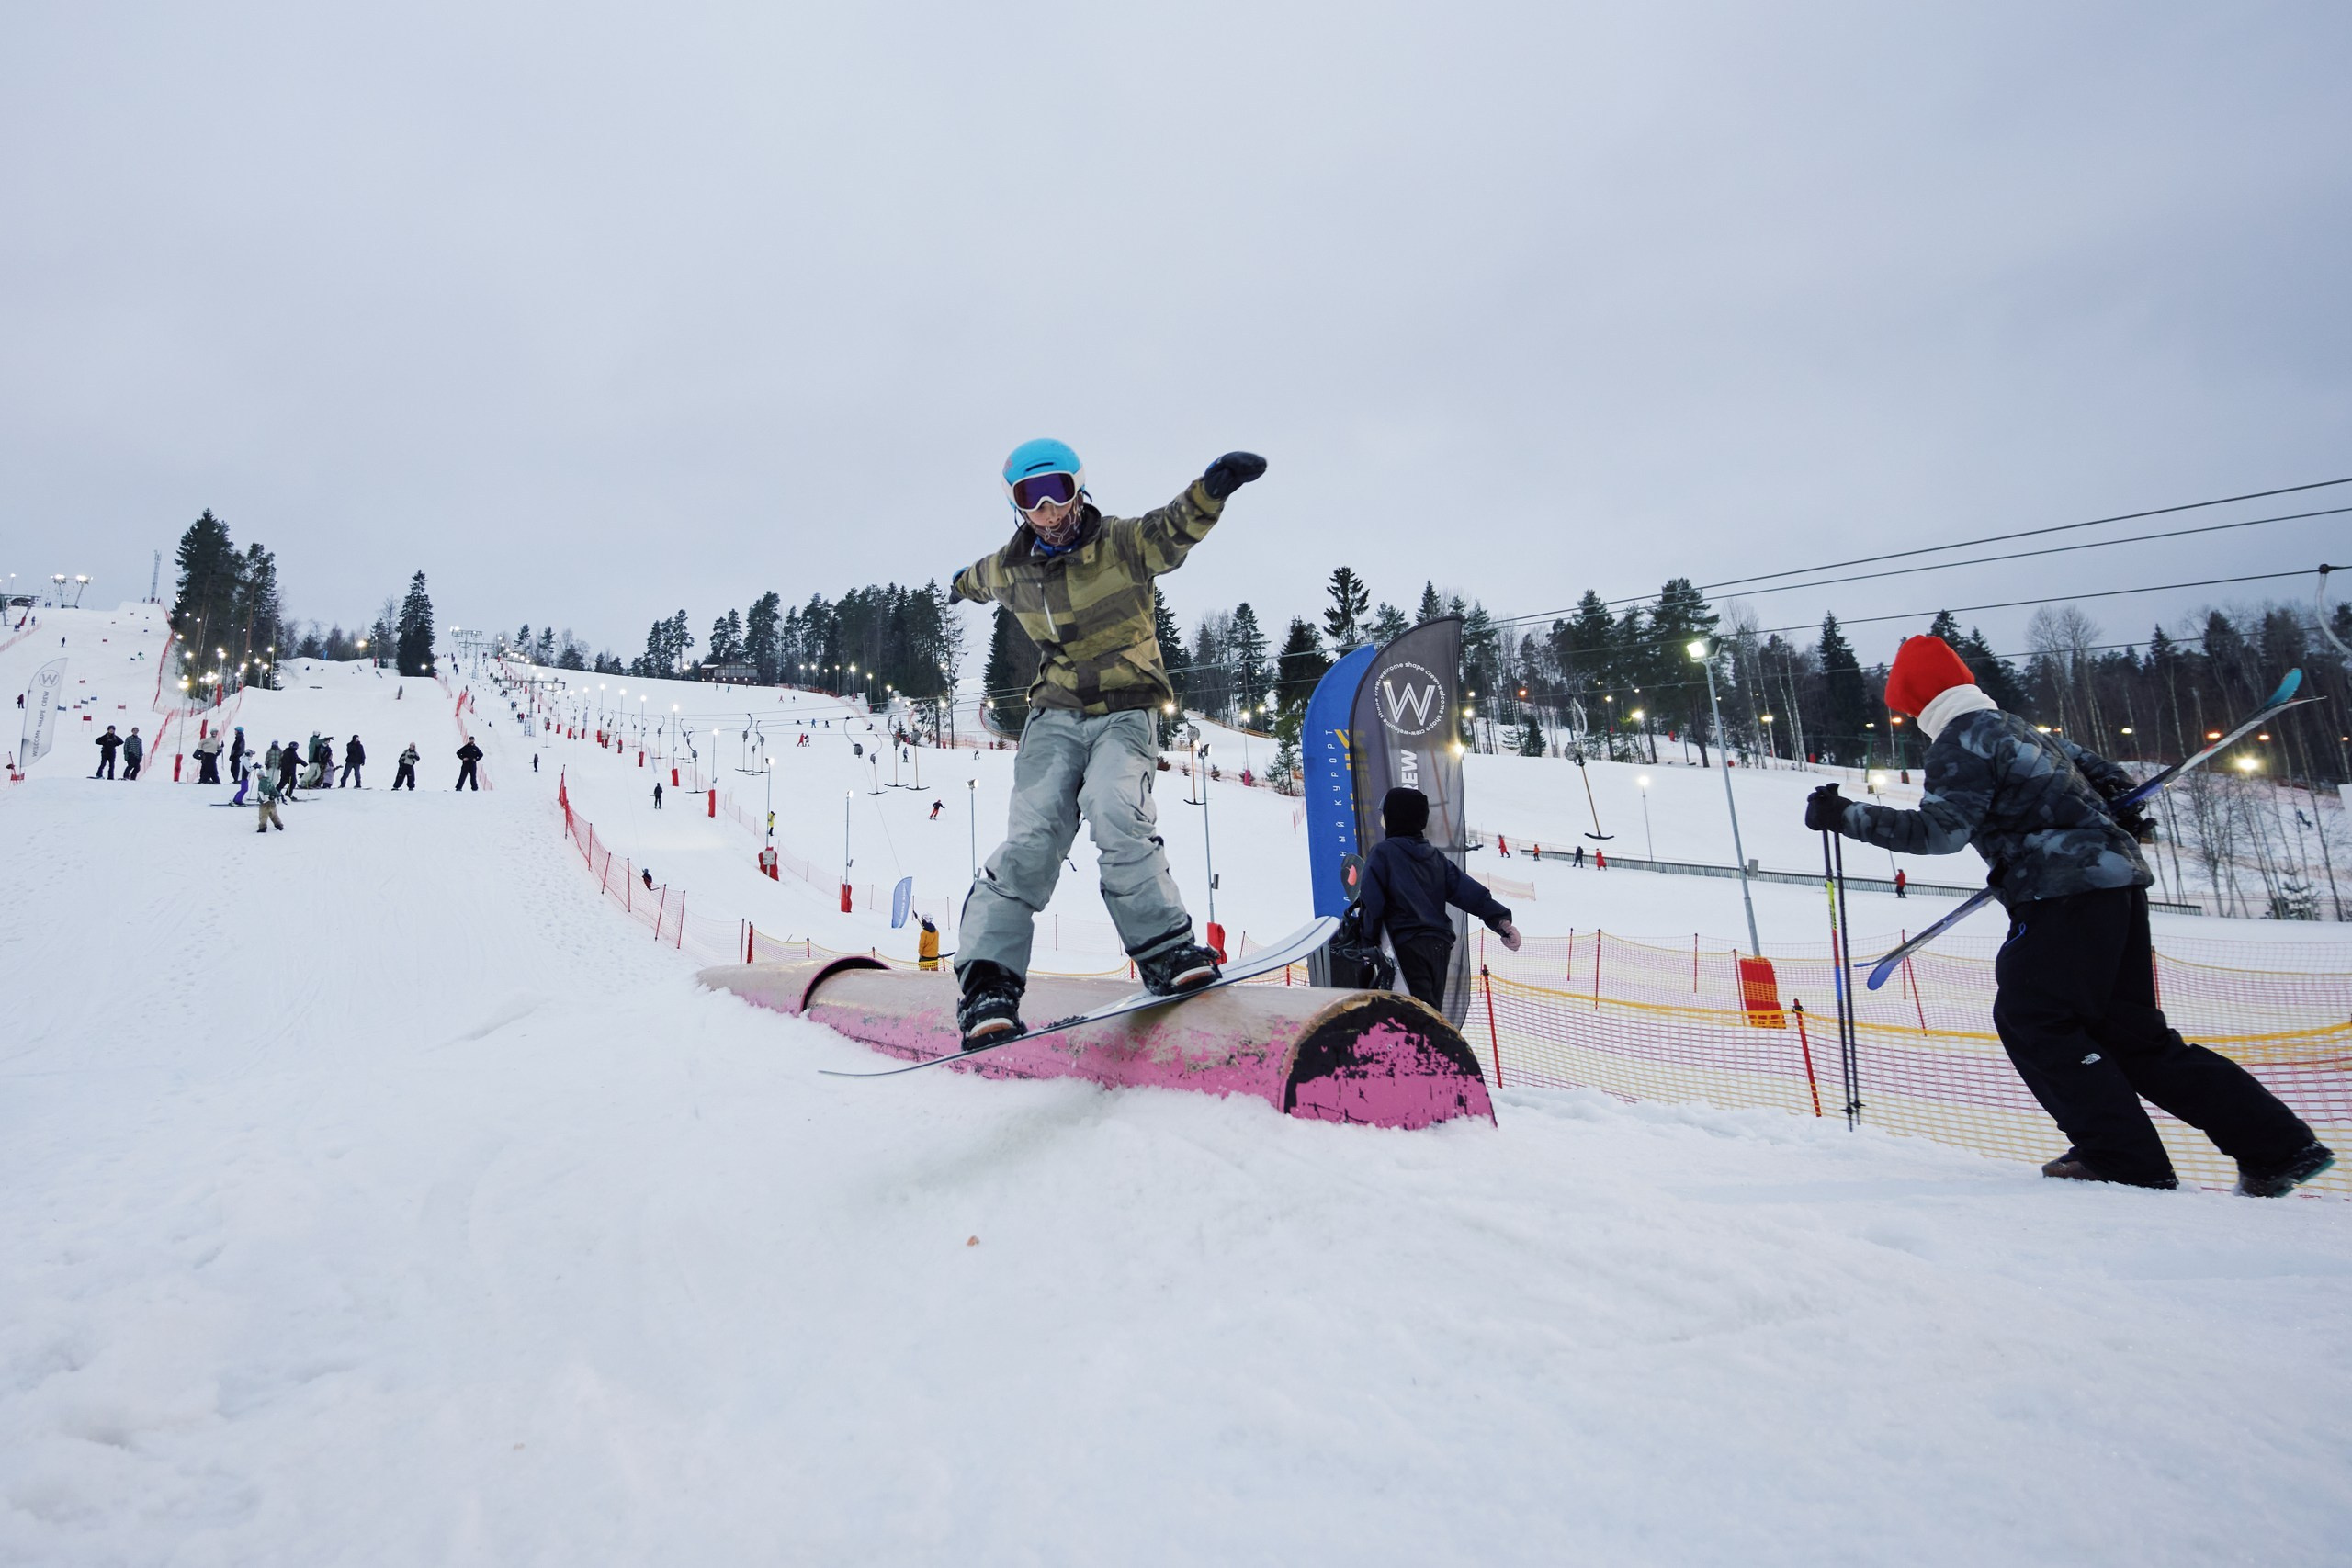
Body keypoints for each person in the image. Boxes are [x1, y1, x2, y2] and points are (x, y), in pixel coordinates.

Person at [1806, 632, 2331, 1197]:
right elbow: (2106, 775)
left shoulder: (1960, 740)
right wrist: (2117, 812)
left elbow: (1939, 832)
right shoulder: (2023, 731)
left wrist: (1846, 815)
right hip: (2116, 885)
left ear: (1919, 702)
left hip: (2061, 893)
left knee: (2034, 1017)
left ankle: (2121, 1155)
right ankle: (2278, 1148)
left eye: (1909, 712)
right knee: (2133, 1036)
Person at [945, 439, 1266, 1046]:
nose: (1048, 510)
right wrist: (958, 585)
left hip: (1126, 706)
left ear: (1078, 489)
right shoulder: (1011, 567)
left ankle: (1165, 949)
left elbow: (1172, 529)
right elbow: (977, 579)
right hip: (1056, 713)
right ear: (1017, 506)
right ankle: (988, 983)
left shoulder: (1121, 542)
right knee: (1032, 838)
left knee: (1116, 808)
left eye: (1057, 491)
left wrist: (1212, 490)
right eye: (1031, 498)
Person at [1348, 787, 1521, 1013]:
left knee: (1414, 1016)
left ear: (1394, 818)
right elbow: (1467, 891)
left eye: (1385, 814)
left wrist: (1367, 942)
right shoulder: (1435, 857)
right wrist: (1500, 920)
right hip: (1439, 948)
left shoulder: (1383, 853)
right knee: (1429, 1012)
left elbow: (1373, 902)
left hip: (1405, 946)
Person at [255, 761, 285, 832]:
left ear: (261, 776)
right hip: (272, 801)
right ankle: (279, 825)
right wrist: (278, 795)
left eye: (259, 776)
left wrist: (265, 798)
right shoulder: (269, 781)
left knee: (263, 816)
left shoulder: (262, 782)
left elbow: (264, 790)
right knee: (274, 815)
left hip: (265, 802)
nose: (258, 777)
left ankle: (262, 828)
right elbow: (274, 789)